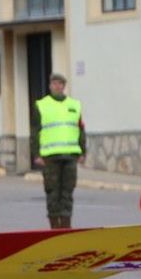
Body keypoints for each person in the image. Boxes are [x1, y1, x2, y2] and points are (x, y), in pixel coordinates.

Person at [31, 72, 86, 229]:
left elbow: (81, 129)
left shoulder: (74, 105)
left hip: (70, 155)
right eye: (54, 83)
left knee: (67, 193)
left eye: (60, 84)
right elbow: (35, 131)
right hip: (50, 156)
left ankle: (66, 227)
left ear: (64, 86)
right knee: (53, 193)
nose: (57, 86)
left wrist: (82, 151)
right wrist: (36, 154)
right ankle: (54, 227)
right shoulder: (42, 105)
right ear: (50, 86)